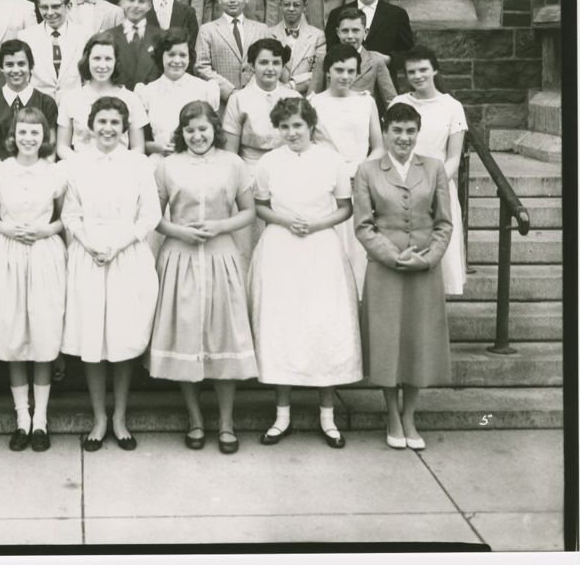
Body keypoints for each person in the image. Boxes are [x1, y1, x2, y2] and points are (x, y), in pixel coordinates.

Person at [249, 97, 362, 449]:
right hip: (281, 248)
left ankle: (327, 415)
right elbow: (261, 206)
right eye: (284, 126)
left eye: (297, 125)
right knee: (282, 327)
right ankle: (281, 414)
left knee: (323, 326)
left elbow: (345, 207)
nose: (291, 132)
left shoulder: (331, 161)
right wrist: (286, 221)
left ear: (310, 125)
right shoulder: (268, 162)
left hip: (321, 249)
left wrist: (316, 223)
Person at [148, 101, 258, 453]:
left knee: (223, 335)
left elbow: (250, 212)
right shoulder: (167, 166)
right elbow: (154, 215)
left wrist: (220, 226)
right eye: (190, 130)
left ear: (215, 129)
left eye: (203, 129)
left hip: (221, 256)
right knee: (185, 335)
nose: (197, 136)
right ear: (182, 132)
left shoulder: (233, 164)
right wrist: (178, 231)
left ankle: (226, 423)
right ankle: (195, 419)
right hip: (180, 258)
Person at [61, 96, 160, 451]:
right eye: (101, 122)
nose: (107, 129)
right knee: (93, 338)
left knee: (122, 337)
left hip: (126, 254)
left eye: (115, 123)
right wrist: (86, 243)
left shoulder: (138, 164)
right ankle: (99, 417)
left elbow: (150, 215)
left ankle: (119, 416)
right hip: (88, 254)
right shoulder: (77, 164)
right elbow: (70, 213)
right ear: (90, 124)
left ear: (124, 127)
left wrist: (118, 244)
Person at [354, 102, 453, 450]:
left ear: (418, 132)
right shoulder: (368, 170)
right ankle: (391, 415)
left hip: (425, 267)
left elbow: (444, 223)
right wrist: (395, 257)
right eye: (397, 130)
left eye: (410, 130)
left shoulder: (435, 168)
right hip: (385, 268)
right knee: (387, 340)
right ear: (385, 130)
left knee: (417, 340)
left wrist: (428, 259)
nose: (404, 137)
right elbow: (364, 226)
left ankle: (410, 414)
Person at [0, 108, 67, 451]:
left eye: (35, 132)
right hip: (8, 254)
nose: (28, 138)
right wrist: (9, 228)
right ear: (13, 135)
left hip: (45, 253)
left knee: (43, 336)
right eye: (22, 132)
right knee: (15, 337)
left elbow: (64, 217)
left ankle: (41, 422)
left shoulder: (56, 173)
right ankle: (22, 420)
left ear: (44, 137)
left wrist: (46, 229)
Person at [389, 45, 467, 296]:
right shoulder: (399, 102)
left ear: (435, 70)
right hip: (400, 186)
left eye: (423, 69)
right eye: (411, 71)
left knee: (435, 253)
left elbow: (454, 156)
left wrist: (435, 184)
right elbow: (390, 146)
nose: (418, 75)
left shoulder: (452, 106)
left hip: (437, 186)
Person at [309, 43, 384, 295]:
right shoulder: (314, 103)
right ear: (328, 71)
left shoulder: (366, 102)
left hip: (360, 183)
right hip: (326, 186)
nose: (345, 76)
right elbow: (308, 146)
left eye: (351, 71)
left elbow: (379, 147)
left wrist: (361, 171)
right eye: (339, 69)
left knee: (358, 248)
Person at [222, 38, 302, 268]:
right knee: (250, 239)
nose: (270, 68)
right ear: (252, 65)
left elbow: (302, 142)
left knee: (284, 237)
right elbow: (230, 152)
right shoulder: (239, 99)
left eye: (276, 63)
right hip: (250, 170)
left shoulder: (294, 98)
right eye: (263, 62)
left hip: (287, 170)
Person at [56, 33, 148, 159]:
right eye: (97, 58)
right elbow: (62, 146)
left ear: (116, 61)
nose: (102, 65)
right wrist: (80, 164)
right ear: (87, 60)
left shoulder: (131, 99)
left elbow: (138, 147)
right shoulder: (71, 98)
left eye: (108, 59)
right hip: (82, 169)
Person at [0, 39, 58, 165]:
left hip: (37, 176)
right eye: (9, 65)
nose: (16, 70)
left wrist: (38, 175)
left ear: (31, 66)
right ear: (1, 67)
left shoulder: (46, 103)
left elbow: (50, 151)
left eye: (21, 64)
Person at [135, 29, 219, 158]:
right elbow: (140, 142)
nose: (177, 60)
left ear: (189, 57)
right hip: (160, 160)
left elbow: (215, 136)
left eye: (183, 55)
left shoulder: (205, 89)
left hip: (196, 161)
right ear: (161, 55)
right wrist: (157, 147)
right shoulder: (146, 92)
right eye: (171, 54)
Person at [193, 0, 271, 104]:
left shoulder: (261, 29)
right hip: (223, 103)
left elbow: (269, 62)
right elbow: (201, 67)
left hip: (257, 99)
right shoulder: (207, 30)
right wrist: (230, 92)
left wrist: (252, 90)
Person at [324, 0, 414, 67]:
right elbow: (330, 52)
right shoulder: (336, 14)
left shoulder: (397, 15)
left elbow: (409, 55)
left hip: (384, 80)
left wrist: (389, 59)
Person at [20, 0, 88, 104]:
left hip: (74, 106)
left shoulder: (84, 35)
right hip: (38, 107)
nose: (50, 13)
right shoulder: (26, 37)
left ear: (68, 6)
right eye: (44, 7)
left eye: (56, 6)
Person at [318, 8, 397, 112]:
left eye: (355, 30)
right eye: (345, 31)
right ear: (338, 32)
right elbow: (312, 97)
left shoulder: (376, 61)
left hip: (362, 119)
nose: (350, 36)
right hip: (331, 117)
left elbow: (391, 100)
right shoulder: (324, 59)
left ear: (365, 32)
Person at [269, 0, 326, 95]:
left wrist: (292, 85)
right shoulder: (268, 34)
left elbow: (318, 73)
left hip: (305, 98)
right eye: (286, 4)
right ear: (280, 5)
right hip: (275, 96)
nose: (291, 9)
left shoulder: (318, 36)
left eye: (296, 5)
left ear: (305, 7)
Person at [107, 0, 164, 90]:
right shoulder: (109, 37)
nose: (136, 5)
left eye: (141, 1)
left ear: (149, 6)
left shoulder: (161, 37)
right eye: (131, 0)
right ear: (121, 2)